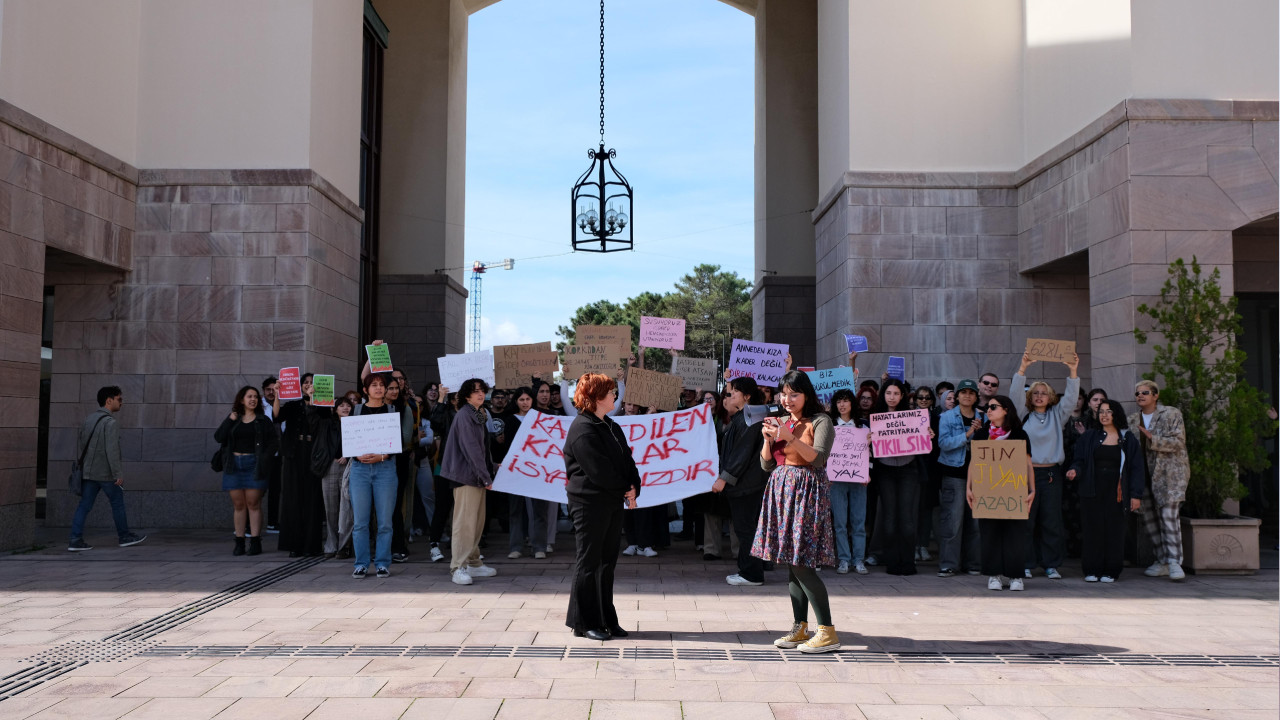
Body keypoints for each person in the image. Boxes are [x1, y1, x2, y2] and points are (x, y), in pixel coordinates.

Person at [752, 370, 840, 653]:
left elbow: (819, 458)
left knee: (801, 560)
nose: (787, 399)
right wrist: (767, 439)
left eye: (794, 394)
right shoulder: (783, 422)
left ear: (806, 395)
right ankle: (800, 627)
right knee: (791, 561)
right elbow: (766, 465)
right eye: (784, 394)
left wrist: (789, 436)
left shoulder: (821, 420)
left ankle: (826, 630)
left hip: (807, 492)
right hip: (781, 490)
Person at [563, 373, 641, 640]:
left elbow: (626, 460)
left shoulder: (611, 425)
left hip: (610, 500)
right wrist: (623, 488)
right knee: (589, 562)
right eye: (609, 392)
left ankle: (606, 618)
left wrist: (634, 485)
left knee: (606, 563)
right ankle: (583, 622)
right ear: (595, 397)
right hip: (588, 502)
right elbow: (599, 470)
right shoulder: (582, 428)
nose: (614, 396)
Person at [1011, 351, 1080, 580]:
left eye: (1044, 393)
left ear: (1050, 397)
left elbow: (1071, 399)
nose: (1040, 396)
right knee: (1027, 520)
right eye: (1035, 393)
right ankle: (1026, 563)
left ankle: (1051, 564)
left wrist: (1072, 370)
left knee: (1051, 520)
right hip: (1026, 474)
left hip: (1051, 473)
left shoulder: (1057, 416)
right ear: (1030, 397)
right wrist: (1023, 368)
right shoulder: (1023, 415)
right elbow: (1014, 396)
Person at [1066, 399, 1144, 582]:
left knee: (1114, 531)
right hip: (1092, 490)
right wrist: (1074, 470)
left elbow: (1136, 468)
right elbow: (1079, 461)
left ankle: (1111, 570)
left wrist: (1135, 495)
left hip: (1117, 492)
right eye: (1101, 411)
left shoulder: (1127, 438)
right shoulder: (1089, 436)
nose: (1104, 415)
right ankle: (1092, 569)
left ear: (1116, 414)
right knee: (1093, 529)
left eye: (1109, 411)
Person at [968, 394, 1035, 591]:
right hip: (987, 493)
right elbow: (974, 463)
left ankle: (1015, 576)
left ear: (1006, 409)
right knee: (989, 533)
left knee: (1015, 534)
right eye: (988, 407)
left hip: (1015, 492)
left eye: (994, 407)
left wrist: (1033, 490)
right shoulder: (981, 435)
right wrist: (968, 488)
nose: (988, 410)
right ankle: (994, 574)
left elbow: (1028, 464)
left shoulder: (1020, 435)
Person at [68, 386, 147, 551]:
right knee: (117, 503)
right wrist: (118, 473)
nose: (121, 403)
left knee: (84, 505)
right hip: (106, 473)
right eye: (119, 399)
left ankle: (75, 539)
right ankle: (124, 536)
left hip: (89, 473)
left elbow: (81, 445)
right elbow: (112, 450)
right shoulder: (110, 423)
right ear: (108, 400)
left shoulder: (88, 420)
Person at [1129, 380, 1190, 582]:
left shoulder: (1171, 414)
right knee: (1150, 521)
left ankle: (1174, 562)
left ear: (1156, 395)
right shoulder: (1132, 420)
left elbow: (1178, 442)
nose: (1140, 396)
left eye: (1145, 392)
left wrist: (1152, 438)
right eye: (1137, 393)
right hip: (1143, 476)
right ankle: (1162, 560)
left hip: (1169, 476)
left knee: (1169, 518)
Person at [713, 377, 771, 585]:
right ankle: (750, 569)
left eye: (733, 393)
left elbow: (741, 454)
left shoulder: (750, 417)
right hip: (746, 485)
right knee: (747, 529)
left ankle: (751, 574)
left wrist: (723, 478)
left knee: (746, 530)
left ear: (746, 396)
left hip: (747, 486)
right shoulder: (744, 417)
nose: (729, 397)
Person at [442, 378, 498, 585]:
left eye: (482, 390)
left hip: (475, 475)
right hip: (467, 476)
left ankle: (473, 563)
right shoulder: (466, 415)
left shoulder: (479, 413)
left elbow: (482, 449)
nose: (480, 394)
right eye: (475, 391)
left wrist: (491, 468)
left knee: (475, 523)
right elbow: (471, 450)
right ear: (466, 395)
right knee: (464, 524)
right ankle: (458, 567)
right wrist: (486, 476)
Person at [869, 379, 928, 576]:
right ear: (883, 395)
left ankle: (908, 562)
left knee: (907, 518)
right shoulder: (875, 417)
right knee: (889, 518)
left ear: (902, 396)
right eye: (888, 393)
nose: (892, 397)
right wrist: (868, 440)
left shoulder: (913, 417)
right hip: (885, 470)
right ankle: (892, 561)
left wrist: (928, 435)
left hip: (908, 469)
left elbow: (924, 443)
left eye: (896, 393)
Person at [214, 385, 278, 556]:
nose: (253, 399)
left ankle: (255, 541)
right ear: (241, 399)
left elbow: (273, 442)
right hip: (233, 465)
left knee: (253, 504)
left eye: (255, 397)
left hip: (254, 464)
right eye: (249, 396)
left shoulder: (263, 420)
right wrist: (230, 419)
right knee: (239, 504)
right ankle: (239, 541)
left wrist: (264, 459)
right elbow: (219, 437)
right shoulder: (234, 418)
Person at [348, 373, 400, 579]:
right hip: (360, 470)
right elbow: (349, 438)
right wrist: (356, 453)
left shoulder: (392, 409)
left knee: (385, 521)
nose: (378, 388)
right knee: (360, 521)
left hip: (385, 468)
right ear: (366, 390)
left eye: (382, 385)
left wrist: (383, 455)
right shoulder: (357, 410)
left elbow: (398, 442)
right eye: (374, 385)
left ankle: (382, 563)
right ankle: (361, 563)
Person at [935, 379, 984, 578]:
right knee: (952, 523)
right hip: (954, 475)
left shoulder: (983, 417)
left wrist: (981, 432)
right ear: (957, 397)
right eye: (963, 392)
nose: (967, 396)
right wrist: (969, 433)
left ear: (975, 397)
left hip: (979, 477)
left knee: (976, 524)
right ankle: (948, 564)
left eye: (971, 393)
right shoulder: (946, 417)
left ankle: (973, 563)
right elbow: (944, 443)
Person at [274, 373, 325, 558]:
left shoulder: (322, 406)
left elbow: (321, 424)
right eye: (306, 382)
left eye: (312, 383)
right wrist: (278, 394)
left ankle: (312, 545)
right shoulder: (293, 405)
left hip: (314, 454)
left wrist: (313, 400)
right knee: (293, 497)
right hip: (294, 453)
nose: (309, 385)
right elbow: (276, 416)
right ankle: (294, 544)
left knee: (312, 498)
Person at [827, 387, 868, 575]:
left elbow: (870, 456)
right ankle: (844, 559)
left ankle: (859, 559)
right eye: (838, 401)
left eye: (845, 400)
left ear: (852, 403)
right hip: (836, 480)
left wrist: (868, 473)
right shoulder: (829, 427)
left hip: (859, 480)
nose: (842, 405)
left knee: (859, 522)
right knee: (840, 523)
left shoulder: (863, 427)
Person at [505, 387, 548, 560]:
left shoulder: (542, 419)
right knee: (515, 510)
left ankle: (539, 547)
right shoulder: (510, 420)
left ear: (532, 400)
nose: (525, 403)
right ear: (516, 401)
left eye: (527, 399)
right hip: (515, 471)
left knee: (540, 510)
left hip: (538, 471)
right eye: (521, 400)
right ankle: (516, 547)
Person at [315, 396, 354, 557]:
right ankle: (331, 543)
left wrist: (349, 455)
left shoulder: (356, 424)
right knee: (331, 508)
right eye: (341, 406)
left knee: (348, 508)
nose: (345, 408)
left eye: (348, 406)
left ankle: (345, 545)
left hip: (350, 466)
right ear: (335, 409)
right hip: (330, 466)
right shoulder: (327, 425)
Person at [260, 376, 282, 533]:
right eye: (268, 389)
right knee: (257, 490)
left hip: (277, 455)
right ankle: (248, 525)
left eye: (274, 389)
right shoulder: (258, 406)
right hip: (261, 455)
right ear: (263, 390)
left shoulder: (280, 405)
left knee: (275, 490)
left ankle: (272, 523)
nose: (271, 392)